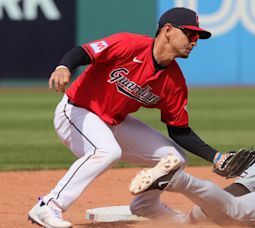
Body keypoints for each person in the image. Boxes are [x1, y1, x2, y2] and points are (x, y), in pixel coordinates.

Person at [28, 7, 231, 228]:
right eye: (191, 34)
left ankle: (146, 205)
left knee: (175, 159)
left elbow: (179, 130)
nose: (195, 41)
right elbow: (84, 52)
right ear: (168, 30)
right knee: (107, 151)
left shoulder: (174, 82)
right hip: (77, 111)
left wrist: (217, 157)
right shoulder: (129, 44)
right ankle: (48, 206)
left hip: (114, 122)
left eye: (198, 37)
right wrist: (63, 66)